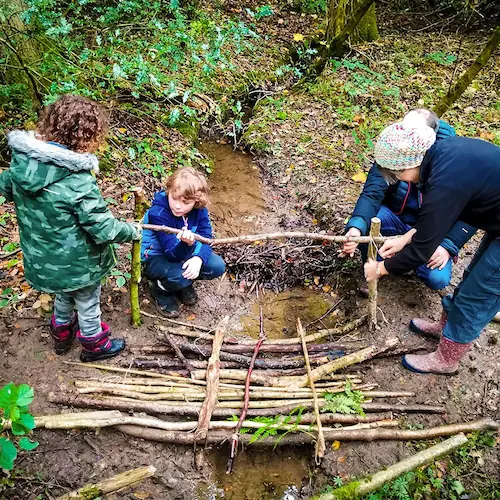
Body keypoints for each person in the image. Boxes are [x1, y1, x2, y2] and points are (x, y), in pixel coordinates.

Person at [0, 95, 141, 361]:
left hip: (44, 259)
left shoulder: (20, 169)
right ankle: (94, 345)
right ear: (86, 136)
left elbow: (4, 187)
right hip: (79, 263)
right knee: (88, 302)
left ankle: (62, 332)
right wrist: (131, 230)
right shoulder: (77, 181)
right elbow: (103, 229)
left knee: (63, 293)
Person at [364, 120, 500, 374]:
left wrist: (380, 269)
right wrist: (405, 238)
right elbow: (438, 220)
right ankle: (445, 329)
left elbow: (422, 251)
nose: (397, 179)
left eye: (396, 173)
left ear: (409, 163)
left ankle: (446, 360)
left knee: (479, 295)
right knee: (472, 277)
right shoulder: (443, 156)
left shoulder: (444, 179)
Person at [342, 109, 476, 296]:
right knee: (371, 222)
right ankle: (376, 264)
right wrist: (356, 227)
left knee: (438, 278)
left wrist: (447, 245)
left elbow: (472, 212)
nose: (407, 138)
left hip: (435, 229)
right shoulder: (394, 148)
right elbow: (372, 193)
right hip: (396, 217)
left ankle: (403, 263)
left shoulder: (450, 162)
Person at [141, 167, 226, 318]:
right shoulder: (158, 213)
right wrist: (186, 244)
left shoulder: (200, 210)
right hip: (156, 257)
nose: (178, 205)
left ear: (196, 201)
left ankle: (184, 284)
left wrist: (198, 258)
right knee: (181, 275)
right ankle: (161, 290)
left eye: (186, 202)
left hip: (185, 250)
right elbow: (171, 253)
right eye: (174, 198)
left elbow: (205, 236)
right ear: (169, 192)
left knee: (217, 266)